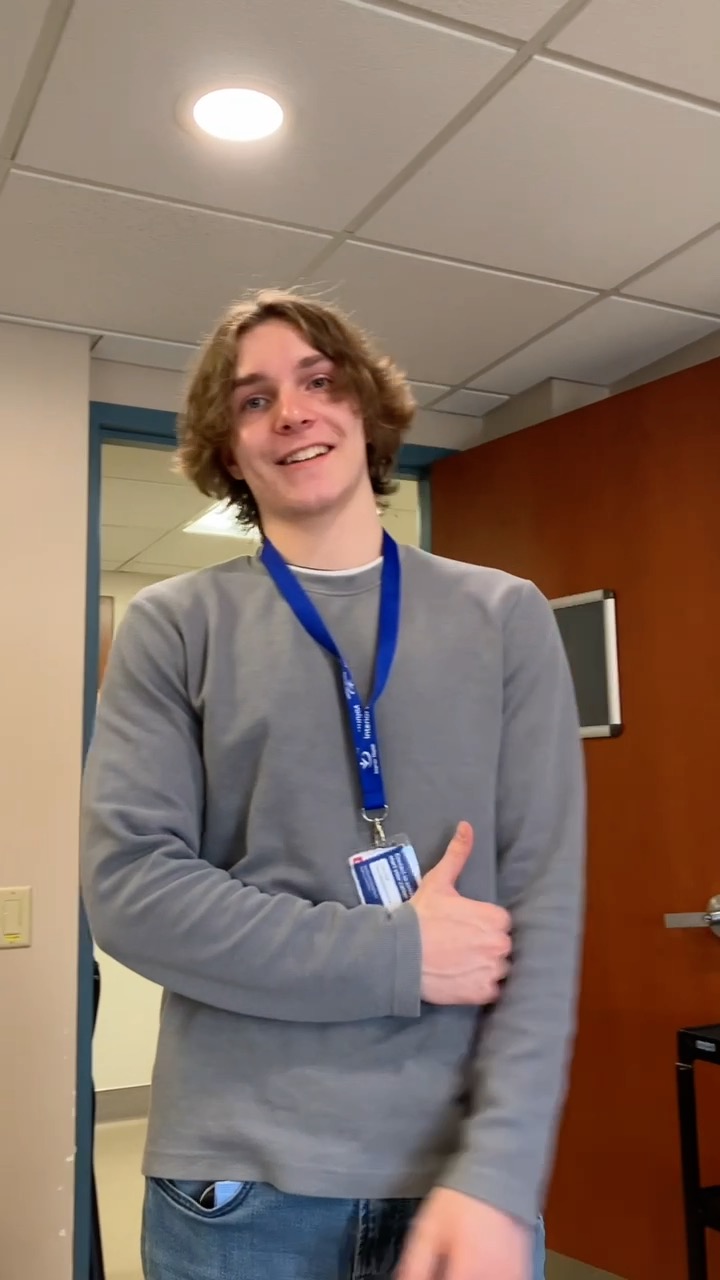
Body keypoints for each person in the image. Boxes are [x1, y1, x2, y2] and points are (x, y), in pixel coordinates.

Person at [80, 290, 585, 1280]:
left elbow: (548, 912)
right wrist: (399, 952)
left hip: (458, 1174)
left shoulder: (504, 617)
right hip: (236, 1188)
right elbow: (133, 892)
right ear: (227, 446)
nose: (293, 412)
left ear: (366, 408)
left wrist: (504, 1167)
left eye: (318, 381)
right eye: (254, 398)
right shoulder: (175, 625)